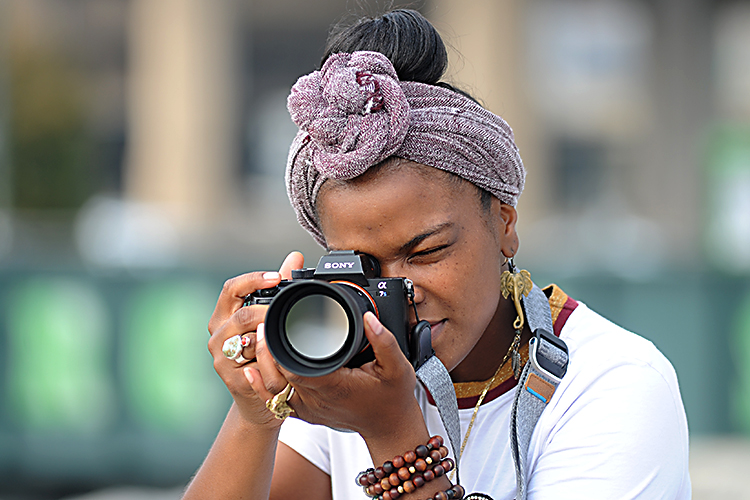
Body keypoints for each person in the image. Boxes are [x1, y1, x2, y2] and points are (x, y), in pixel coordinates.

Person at [183, 9, 690, 500]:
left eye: (426, 251)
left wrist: (391, 432)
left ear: (505, 223)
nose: (402, 289)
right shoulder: (342, 364)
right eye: (363, 270)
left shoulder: (613, 383)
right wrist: (256, 412)